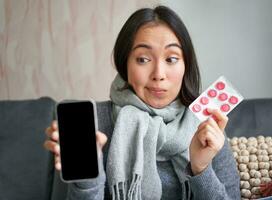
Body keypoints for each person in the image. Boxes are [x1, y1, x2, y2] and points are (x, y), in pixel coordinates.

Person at [44, 5, 240, 200]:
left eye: (171, 59)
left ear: (185, 65)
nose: (158, 74)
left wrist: (201, 169)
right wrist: (88, 178)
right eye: (143, 59)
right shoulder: (94, 124)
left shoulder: (206, 126)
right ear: (125, 64)